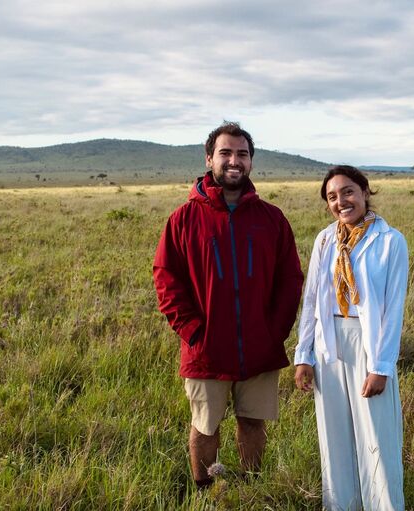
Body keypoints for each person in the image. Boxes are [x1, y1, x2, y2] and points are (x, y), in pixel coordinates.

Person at [153, 122, 304, 489]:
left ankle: (252, 489)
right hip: (205, 348)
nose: (234, 161)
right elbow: (165, 278)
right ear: (209, 159)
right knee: (205, 425)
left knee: (253, 422)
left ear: (251, 162)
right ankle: (206, 493)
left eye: (242, 154)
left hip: (259, 345)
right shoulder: (184, 219)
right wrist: (193, 331)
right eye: (226, 153)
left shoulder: (272, 219)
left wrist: (274, 331)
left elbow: (290, 280)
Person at [294, 165, 408, 510]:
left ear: (364, 192)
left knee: (376, 436)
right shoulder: (326, 239)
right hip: (329, 343)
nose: (341, 201)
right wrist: (304, 355)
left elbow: (393, 309)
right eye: (332, 196)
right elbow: (312, 298)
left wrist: (382, 367)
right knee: (334, 437)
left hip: (368, 344)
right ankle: (340, 505)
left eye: (347, 192)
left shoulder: (390, 240)